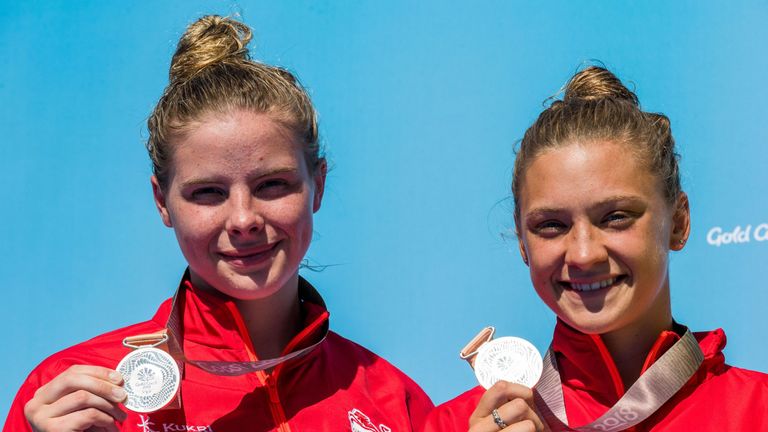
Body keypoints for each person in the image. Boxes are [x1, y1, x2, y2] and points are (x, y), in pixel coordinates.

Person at [5, 15, 432, 432]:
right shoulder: (72, 397)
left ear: (317, 185)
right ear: (162, 202)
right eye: (208, 192)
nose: (244, 219)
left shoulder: (398, 403)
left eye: (272, 185)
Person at [423, 66, 768, 431]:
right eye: (551, 225)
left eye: (615, 217)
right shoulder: (455, 424)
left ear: (679, 222)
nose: (584, 254)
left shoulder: (758, 410)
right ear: (523, 242)